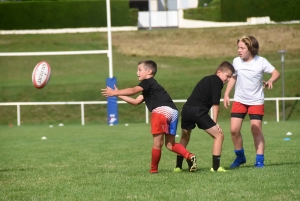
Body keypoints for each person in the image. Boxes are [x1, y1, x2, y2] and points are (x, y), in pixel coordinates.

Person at [101, 60, 197, 174]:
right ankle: (189, 155)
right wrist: (119, 94)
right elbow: (136, 101)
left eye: (139, 70)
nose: (137, 73)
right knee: (170, 144)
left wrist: (114, 93)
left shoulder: (147, 82)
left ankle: (153, 170)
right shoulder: (152, 86)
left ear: (149, 71)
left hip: (161, 111)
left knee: (157, 143)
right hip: (173, 112)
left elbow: (133, 91)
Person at [223, 36, 280, 168]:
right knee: (233, 130)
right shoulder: (236, 61)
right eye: (238, 47)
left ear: (251, 49)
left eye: (242, 48)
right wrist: (226, 94)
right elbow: (233, 78)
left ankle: (259, 160)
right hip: (239, 100)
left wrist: (271, 80)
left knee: (256, 130)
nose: (239, 50)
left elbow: (276, 73)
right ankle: (240, 157)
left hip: (256, 101)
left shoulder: (261, 62)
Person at [174, 61, 235, 173]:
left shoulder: (206, 79)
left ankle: (178, 167)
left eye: (230, 78)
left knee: (185, 137)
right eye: (227, 76)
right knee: (219, 135)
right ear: (219, 72)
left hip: (186, 109)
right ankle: (216, 168)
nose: (227, 80)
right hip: (198, 111)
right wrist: (215, 123)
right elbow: (216, 105)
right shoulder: (217, 82)